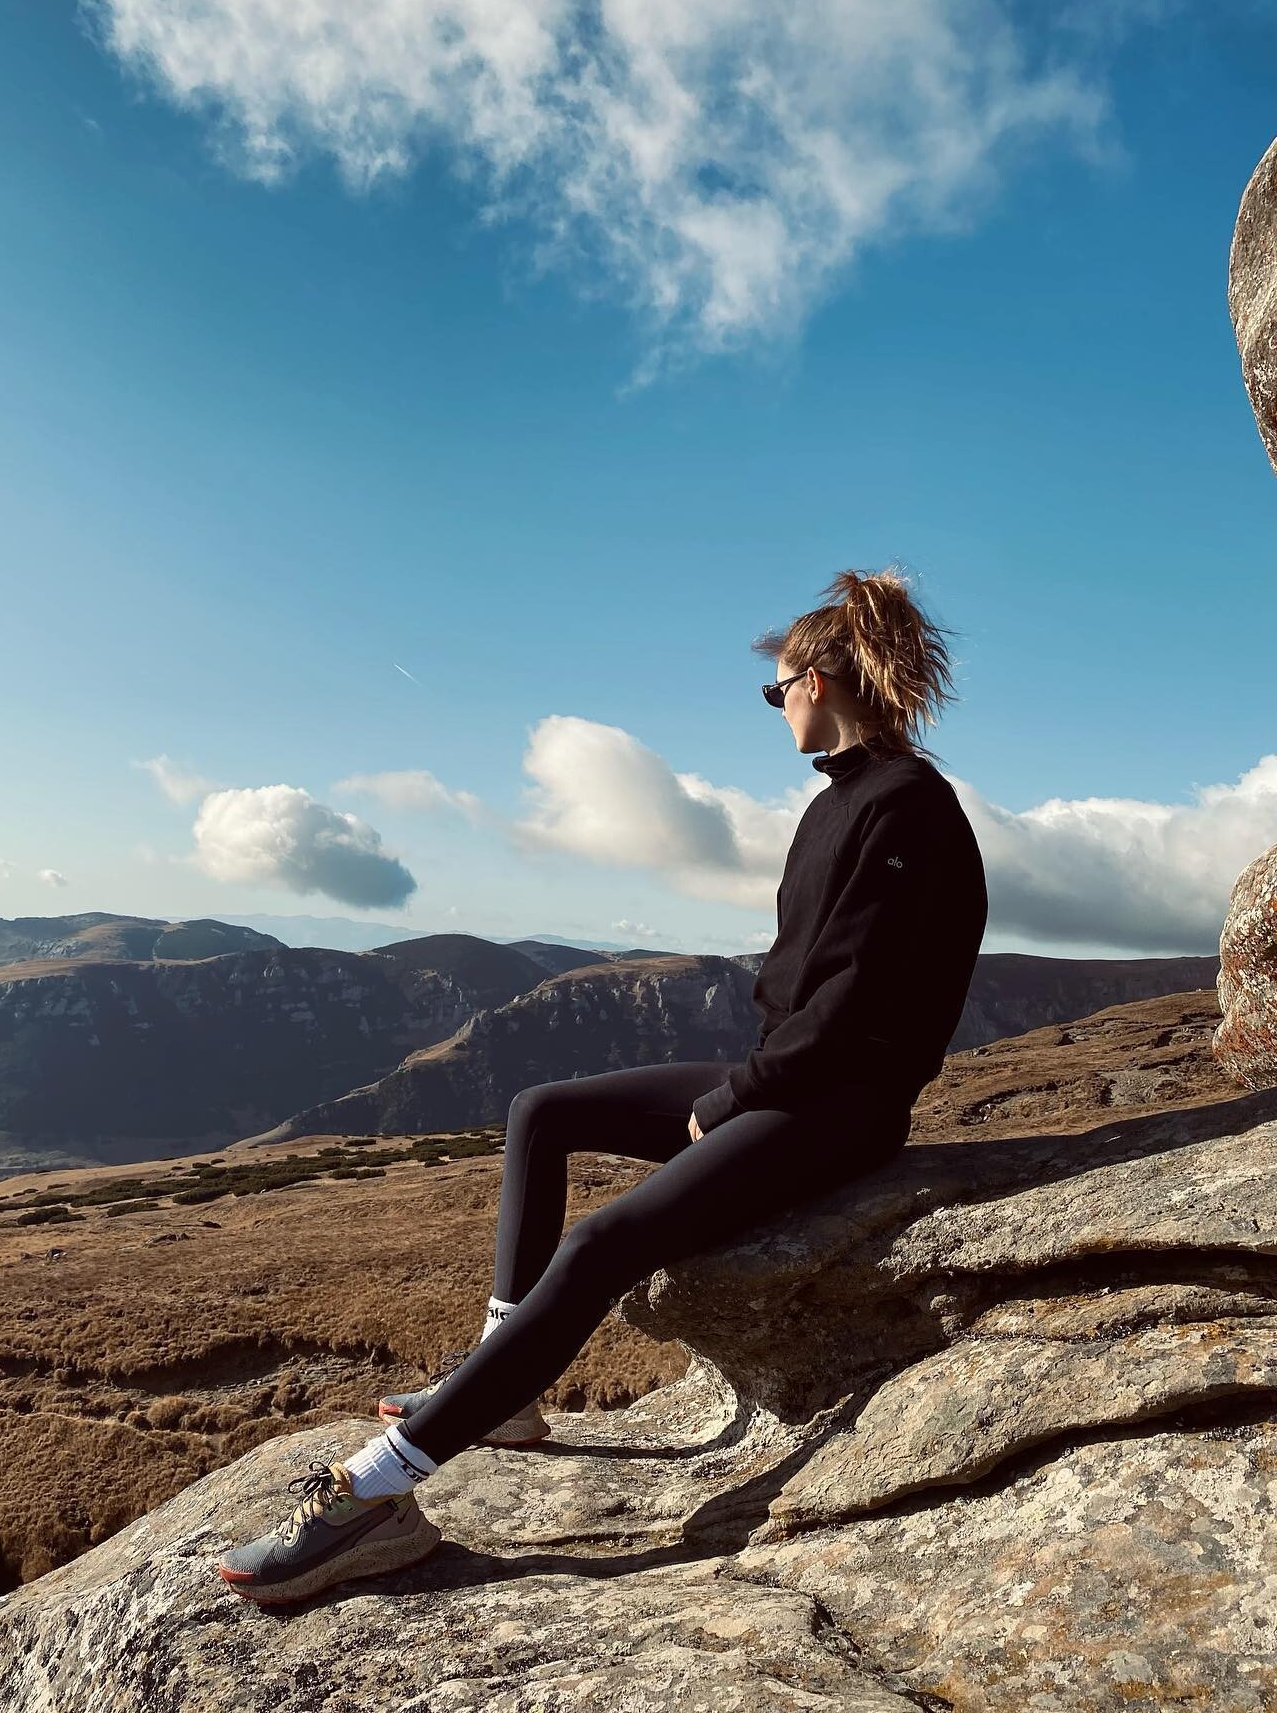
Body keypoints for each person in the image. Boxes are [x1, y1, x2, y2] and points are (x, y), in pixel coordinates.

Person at [214, 565, 989, 1605]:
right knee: (542, 1112)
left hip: (836, 1110)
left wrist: (733, 1100)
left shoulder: (907, 809)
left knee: (599, 1246)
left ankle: (376, 1493)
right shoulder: (844, 801)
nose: (776, 708)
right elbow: (810, 991)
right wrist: (748, 1084)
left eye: (776, 689)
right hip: (791, 1077)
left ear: (815, 680)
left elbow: (855, 1012)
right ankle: (503, 1385)